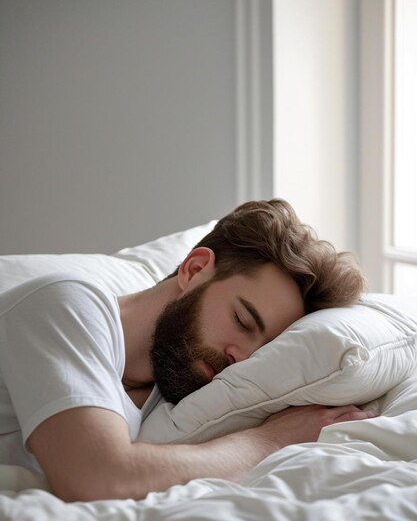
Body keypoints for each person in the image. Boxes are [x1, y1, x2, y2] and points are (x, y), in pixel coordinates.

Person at [0, 199, 372, 502]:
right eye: (242, 321)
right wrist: (272, 439)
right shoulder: (67, 304)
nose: (241, 358)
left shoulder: (175, 388)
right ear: (194, 270)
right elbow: (97, 478)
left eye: (262, 351)